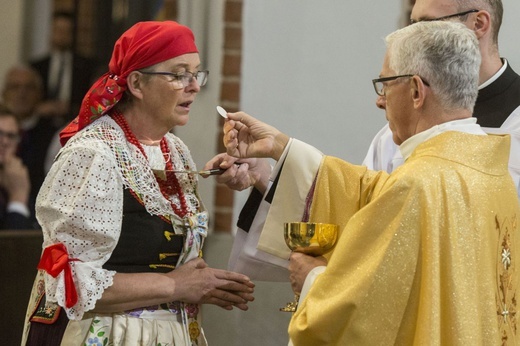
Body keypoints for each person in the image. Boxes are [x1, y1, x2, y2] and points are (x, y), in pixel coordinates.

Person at [208, 21, 519, 344]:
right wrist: (280, 145)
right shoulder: (492, 175)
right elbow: (371, 192)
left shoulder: (417, 185)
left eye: (385, 83)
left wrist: (314, 279)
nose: (380, 100)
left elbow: (365, 314)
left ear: (415, 91)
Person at [21, 21, 254, 346]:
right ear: (137, 83)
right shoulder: (94, 154)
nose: (193, 86)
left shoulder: (174, 150)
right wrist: (175, 286)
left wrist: (202, 282)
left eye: (196, 73)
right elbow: (66, 279)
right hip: (105, 334)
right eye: (178, 74)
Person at [363, 0, 520, 196]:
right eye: (413, 25)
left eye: (428, 25)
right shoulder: (395, 134)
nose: (413, 37)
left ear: (478, 24)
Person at [2, 64, 64, 224]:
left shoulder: (54, 134)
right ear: (4, 92)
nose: (22, 94)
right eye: (15, 87)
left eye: (29, 88)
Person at [30, 10, 98, 119]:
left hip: (75, 121)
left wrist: (72, 108)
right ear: (51, 31)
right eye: (58, 30)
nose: (62, 35)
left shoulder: (87, 66)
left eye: (66, 31)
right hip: (43, 123)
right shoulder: (37, 66)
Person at [0, 107, 32, 230]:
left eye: (11, 136)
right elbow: (11, 247)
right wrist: (18, 197)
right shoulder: (19, 186)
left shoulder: (19, 177)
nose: (5, 142)